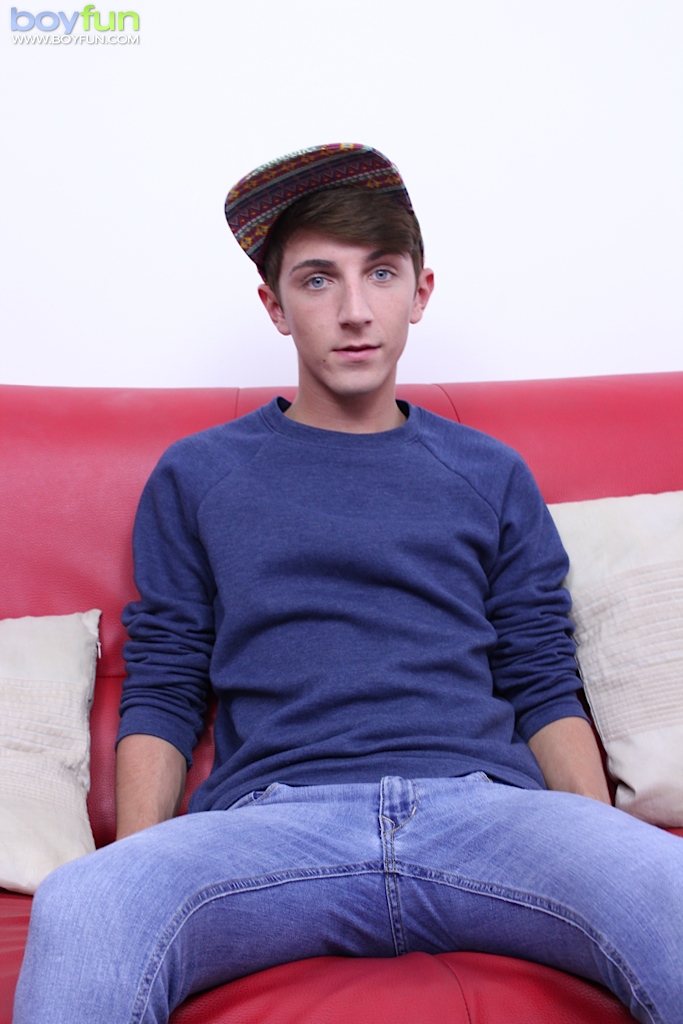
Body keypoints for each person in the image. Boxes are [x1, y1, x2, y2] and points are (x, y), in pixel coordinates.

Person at [13, 144, 683, 1024]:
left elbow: (540, 674)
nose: (355, 311)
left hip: (482, 812)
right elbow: (166, 682)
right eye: (318, 280)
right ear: (275, 306)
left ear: (420, 292)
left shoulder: (489, 471)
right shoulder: (198, 475)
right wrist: (136, 868)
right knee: (85, 901)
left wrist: (594, 842)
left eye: (381, 274)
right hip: (276, 824)